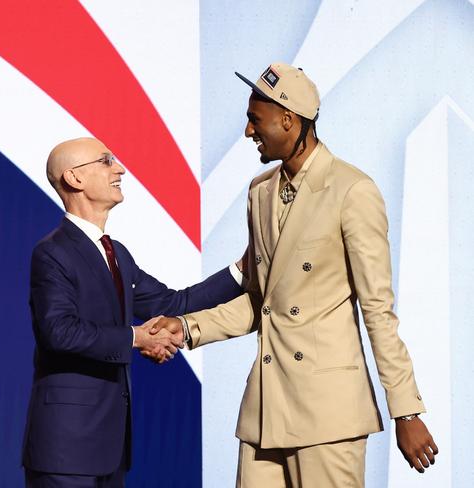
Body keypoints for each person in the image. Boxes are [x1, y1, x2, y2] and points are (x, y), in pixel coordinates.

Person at [150, 62, 438, 487]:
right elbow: (260, 301)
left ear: (289, 120)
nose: (248, 131)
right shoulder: (259, 191)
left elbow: (378, 310)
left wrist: (406, 410)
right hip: (265, 411)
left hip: (327, 416)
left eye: (255, 120)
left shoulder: (352, 191)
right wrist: (186, 327)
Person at [21, 137, 244, 488]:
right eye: (106, 161)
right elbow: (59, 332)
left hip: (110, 448)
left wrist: (244, 270)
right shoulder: (52, 253)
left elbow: (174, 304)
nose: (120, 169)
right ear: (74, 178)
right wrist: (138, 337)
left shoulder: (118, 254)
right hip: (65, 450)